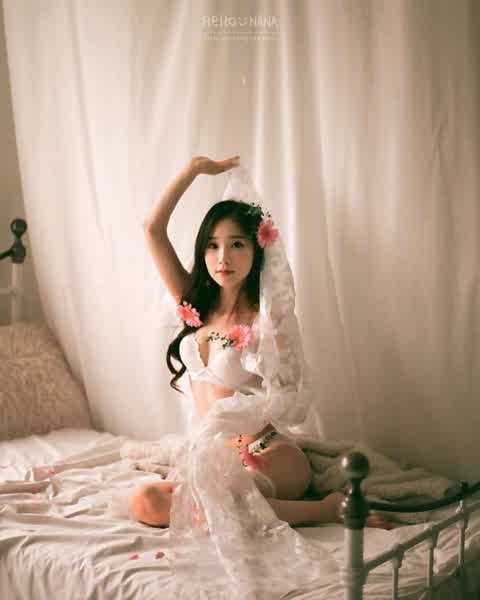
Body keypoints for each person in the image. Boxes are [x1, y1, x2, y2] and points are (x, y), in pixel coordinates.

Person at [131, 156, 390, 597]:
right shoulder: (193, 304)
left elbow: (291, 398)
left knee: (223, 503)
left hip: (268, 450)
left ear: (258, 248)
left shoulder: (267, 319)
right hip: (215, 456)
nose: (223, 257)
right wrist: (192, 171)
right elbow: (152, 229)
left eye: (237, 244)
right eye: (212, 246)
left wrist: (230, 423)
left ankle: (326, 509)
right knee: (147, 502)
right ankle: (304, 507)